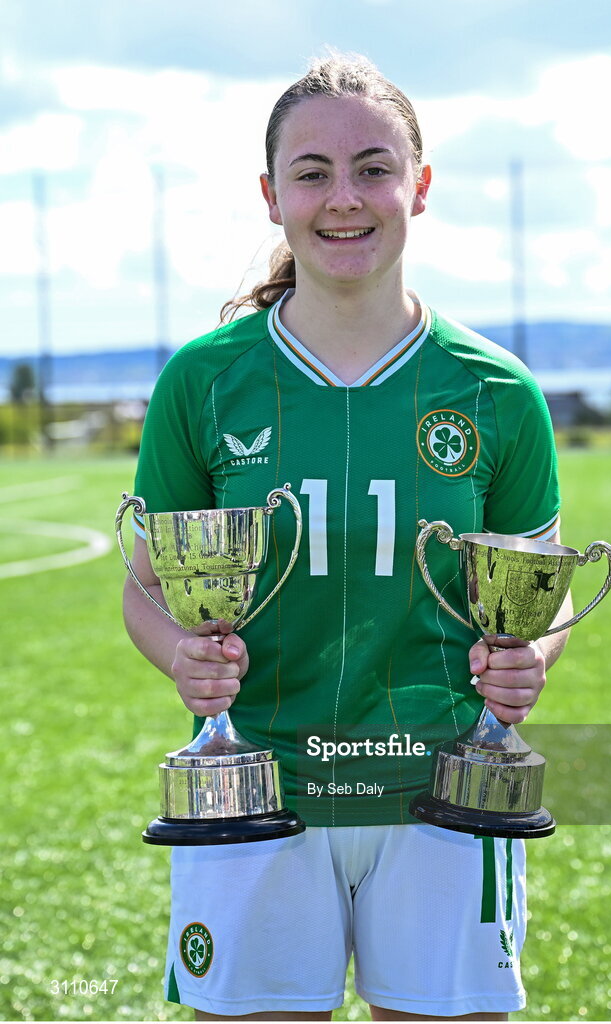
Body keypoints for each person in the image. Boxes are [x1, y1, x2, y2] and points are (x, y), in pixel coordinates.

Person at [123, 51, 573, 1023]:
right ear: (270, 195)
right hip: (260, 790)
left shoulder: (497, 391)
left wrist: (533, 649)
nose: (344, 199)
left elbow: (546, 585)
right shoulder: (202, 383)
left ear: (419, 184)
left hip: (444, 795)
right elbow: (148, 589)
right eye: (313, 173)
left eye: (373, 167)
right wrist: (181, 659)